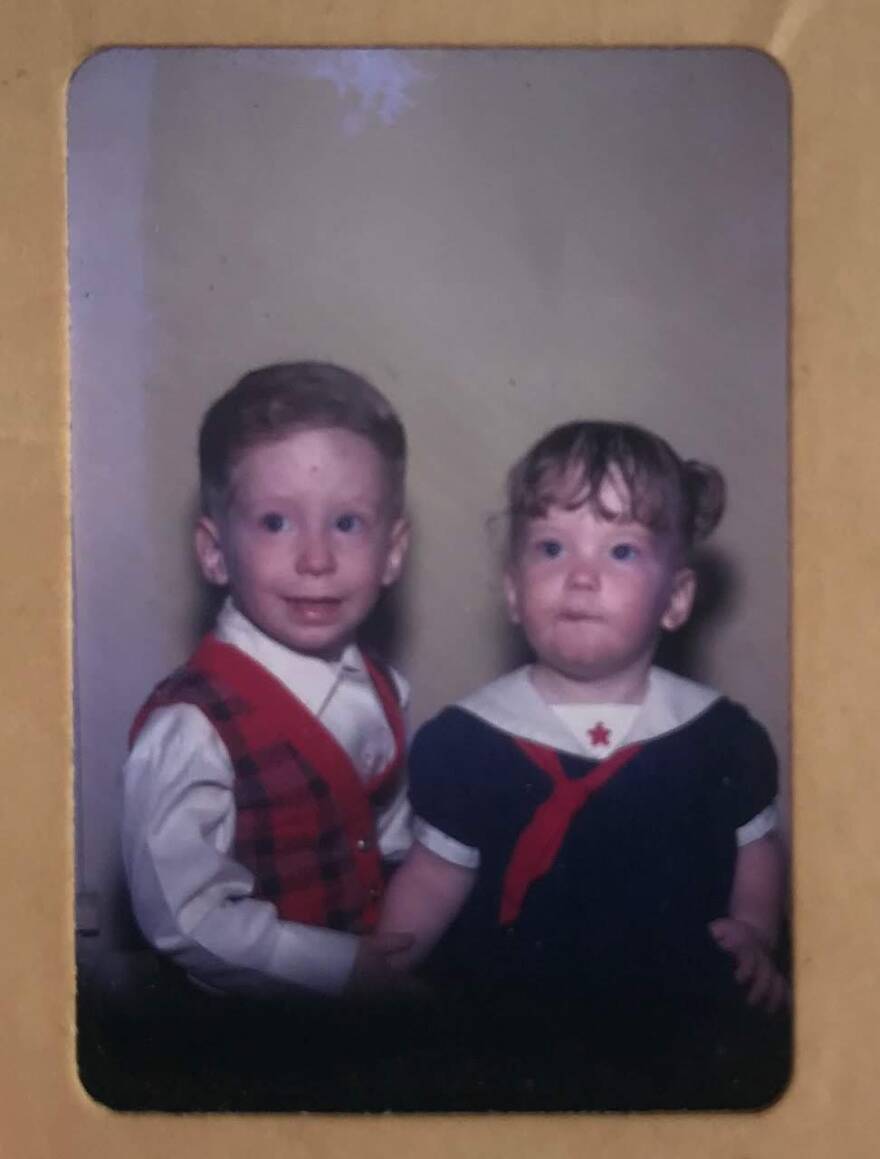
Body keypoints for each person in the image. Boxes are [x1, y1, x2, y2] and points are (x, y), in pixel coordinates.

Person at [378, 420, 789, 1107]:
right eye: (550, 547)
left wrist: (755, 931)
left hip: (679, 1020)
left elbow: (758, 848)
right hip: (510, 1024)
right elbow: (433, 874)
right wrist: (381, 966)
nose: (582, 575)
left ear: (677, 599)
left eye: (621, 550)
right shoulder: (469, 741)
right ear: (513, 591)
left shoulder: (723, 738)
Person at [122, 361, 413, 1002]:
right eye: (275, 523)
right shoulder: (192, 727)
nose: (316, 560)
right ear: (214, 552)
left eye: (347, 523)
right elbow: (186, 921)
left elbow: (384, 831)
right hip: (248, 1038)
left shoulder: (384, 689)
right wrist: (338, 966)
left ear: (392, 553)